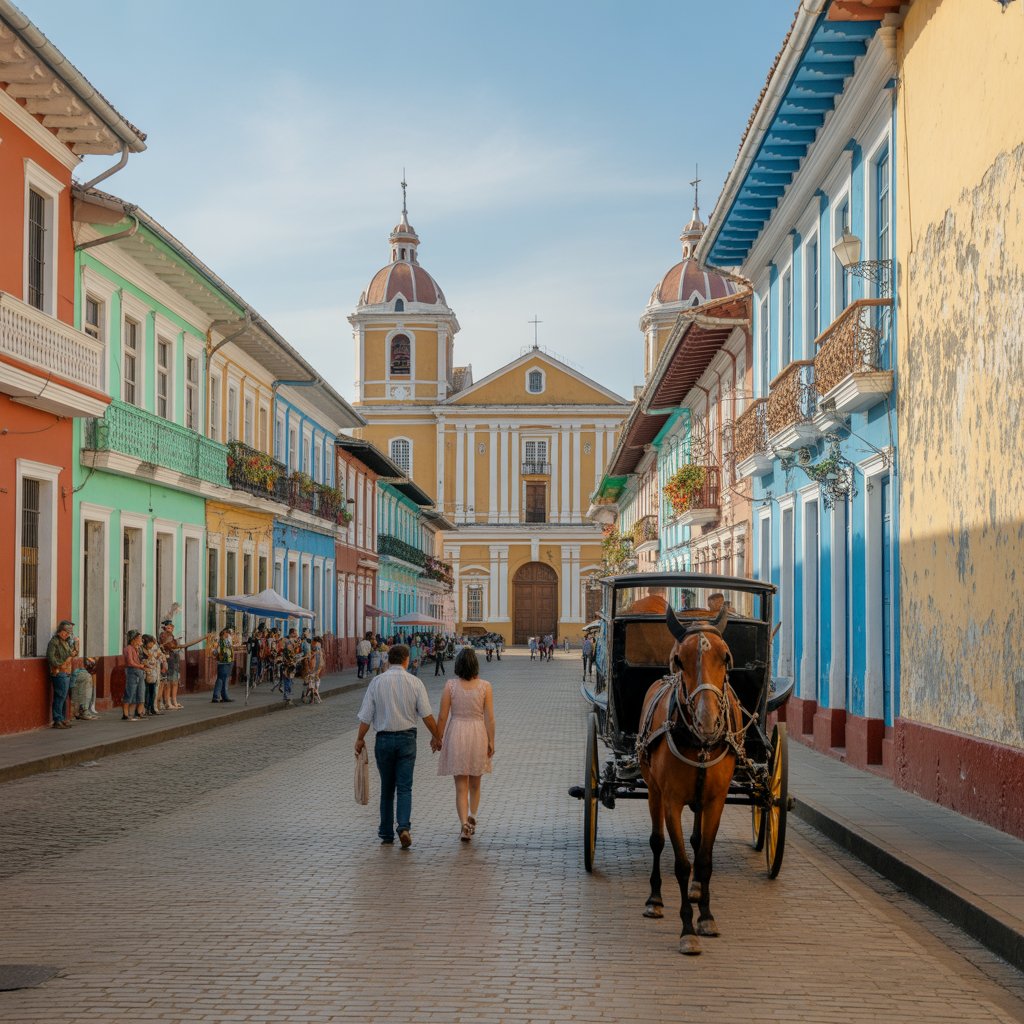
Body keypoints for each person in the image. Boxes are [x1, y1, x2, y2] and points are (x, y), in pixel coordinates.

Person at [354, 644, 442, 849]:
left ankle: (385, 833)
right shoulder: (415, 682)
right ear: (406, 660)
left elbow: (366, 716)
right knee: (404, 787)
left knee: (387, 788)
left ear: (388, 660)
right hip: (407, 740)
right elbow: (427, 715)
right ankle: (403, 827)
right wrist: (437, 736)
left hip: (383, 739)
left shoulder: (376, 682)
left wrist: (359, 739)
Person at [436, 647, 495, 842]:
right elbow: (490, 718)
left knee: (461, 786)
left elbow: (443, 716)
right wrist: (491, 740)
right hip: (478, 733)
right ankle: (473, 817)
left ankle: (463, 824)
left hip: (457, 733)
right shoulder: (485, 686)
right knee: (476, 784)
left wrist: (438, 737)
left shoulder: (450, 686)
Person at [45, 619, 78, 729]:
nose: (67, 635)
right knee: (60, 696)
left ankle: (63, 718)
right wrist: (60, 665)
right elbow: (50, 657)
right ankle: (57, 719)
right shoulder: (54, 642)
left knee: (64, 697)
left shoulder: (67, 642)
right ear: (60, 631)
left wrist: (76, 645)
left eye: (68, 633)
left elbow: (73, 653)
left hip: (67, 672)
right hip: (58, 673)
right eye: (66, 632)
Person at [159, 620, 183, 710]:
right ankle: (167, 702)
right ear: (165, 627)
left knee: (175, 681)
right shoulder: (163, 635)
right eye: (168, 627)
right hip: (168, 660)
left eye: (171, 627)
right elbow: (168, 646)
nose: (170, 628)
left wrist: (176, 643)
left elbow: (174, 645)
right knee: (168, 682)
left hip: (174, 660)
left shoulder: (171, 636)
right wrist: (174, 644)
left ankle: (174, 701)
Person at [122, 630, 146, 720]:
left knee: (140, 693)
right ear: (133, 639)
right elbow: (130, 662)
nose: (141, 640)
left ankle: (138, 713)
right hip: (132, 672)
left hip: (139, 672)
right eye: (139, 638)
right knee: (130, 692)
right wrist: (140, 666)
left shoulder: (137, 649)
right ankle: (126, 714)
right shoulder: (128, 648)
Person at [210, 628, 236, 703]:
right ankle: (216, 696)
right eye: (227, 632)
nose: (228, 634)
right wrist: (218, 656)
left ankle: (224, 696)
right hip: (223, 663)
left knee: (225, 679)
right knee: (221, 679)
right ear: (224, 633)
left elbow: (230, 650)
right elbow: (215, 651)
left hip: (228, 662)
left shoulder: (226, 641)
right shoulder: (221, 641)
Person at [141, 634, 165, 716]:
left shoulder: (154, 647)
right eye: (150, 643)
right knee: (146, 692)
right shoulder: (142, 650)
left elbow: (161, 655)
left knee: (153, 692)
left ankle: (152, 708)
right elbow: (143, 661)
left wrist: (159, 657)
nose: (152, 645)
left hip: (154, 674)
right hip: (146, 674)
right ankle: (145, 709)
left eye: (153, 643)